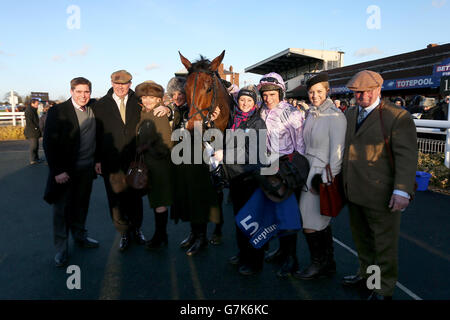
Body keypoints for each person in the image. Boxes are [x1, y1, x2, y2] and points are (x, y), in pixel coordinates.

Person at [341, 70, 418, 300]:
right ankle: (366, 276)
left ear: (378, 90)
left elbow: (407, 156)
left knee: (382, 245)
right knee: (362, 241)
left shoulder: (397, 117)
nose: (360, 96)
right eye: (356, 92)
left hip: (381, 193)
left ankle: (381, 288)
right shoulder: (350, 114)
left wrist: (402, 189)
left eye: (364, 92)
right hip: (354, 191)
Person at [293, 72, 347, 280]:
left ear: (328, 91)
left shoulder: (336, 116)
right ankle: (327, 263)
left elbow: (337, 153)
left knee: (310, 222)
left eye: (319, 92)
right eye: (311, 92)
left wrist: (326, 181)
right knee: (318, 222)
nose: (314, 96)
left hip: (321, 175)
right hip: (308, 171)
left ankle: (319, 264)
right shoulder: (312, 113)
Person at [43, 77, 99, 267]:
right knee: (61, 211)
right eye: (79, 91)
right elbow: (49, 143)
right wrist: (57, 170)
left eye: (86, 92)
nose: (83, 96)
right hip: (65, 172)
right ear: (71, 91)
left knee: (81, 206)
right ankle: (61, 249)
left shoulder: (93, 108)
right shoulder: (58, 111)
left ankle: (80, 237)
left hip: (87, 169)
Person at [213, 86, 267, 275]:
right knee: (239, 220)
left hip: (250, 178)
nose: (245, 104)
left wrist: (225, 155)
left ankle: (255, 262)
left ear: (255, 103)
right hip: (235, 178)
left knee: (252, 222)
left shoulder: (257, 123)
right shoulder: (233, 121)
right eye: (242, 100)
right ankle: (243, 253)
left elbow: (253, 153)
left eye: (249, 101)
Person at [258, 72, 306, 277]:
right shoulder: (260, 111)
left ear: (280, 93)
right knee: (275, 213)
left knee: (287, 215)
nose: (268, 98)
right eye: (265, 94)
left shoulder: (293, 114)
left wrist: (299, 175)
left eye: (272, 94)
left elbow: (301, 147)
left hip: (286, 168)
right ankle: (281, 251)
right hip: (266, 167)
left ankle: (291, 259)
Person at [168, 75, 222, 256]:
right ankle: (193, 234)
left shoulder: (197, 110)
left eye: (180, 94)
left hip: (198, 162)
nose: (177, 98)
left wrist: (211, 120)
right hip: (183, 163)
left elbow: (211, 135)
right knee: (190, 202)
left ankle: (202, 238)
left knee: (199, 202)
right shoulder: (176, 111)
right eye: (173, 95)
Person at [93, 70, 145, 252]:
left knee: (135, 197)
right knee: (116, 198)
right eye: (117, 83)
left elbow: (157, 107)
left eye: (124, 83)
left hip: (135, 160)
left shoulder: (139, 101)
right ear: (112, 83)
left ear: (130, 83)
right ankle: (123, 231)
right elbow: (97, 134)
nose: (121, 87)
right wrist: (98, 159)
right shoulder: (101, 105)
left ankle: (137, 229)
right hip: (111, 160)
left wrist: (167, 108)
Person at [134, 81, 173, 249]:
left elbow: (166, 144)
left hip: (159, 166)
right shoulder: (144, 113)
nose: (148, 100)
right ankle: (161, 236)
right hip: (148, 165)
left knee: (159, 202)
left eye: (151, 97)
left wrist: (146, 147)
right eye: (144, 97)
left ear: (159, 99)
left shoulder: (159, 114)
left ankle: (160, 236)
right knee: (156, 202)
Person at [24, 99, 42, 165]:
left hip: (35, 131)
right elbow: (29, 122)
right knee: (33, 146)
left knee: (36, 145)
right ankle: (32, 159)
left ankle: (36, 158)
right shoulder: (29, 111)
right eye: (37, 104)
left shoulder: (33, 110)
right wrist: (36, 127)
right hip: (31, 131)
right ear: (32, 103)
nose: (38, 105)